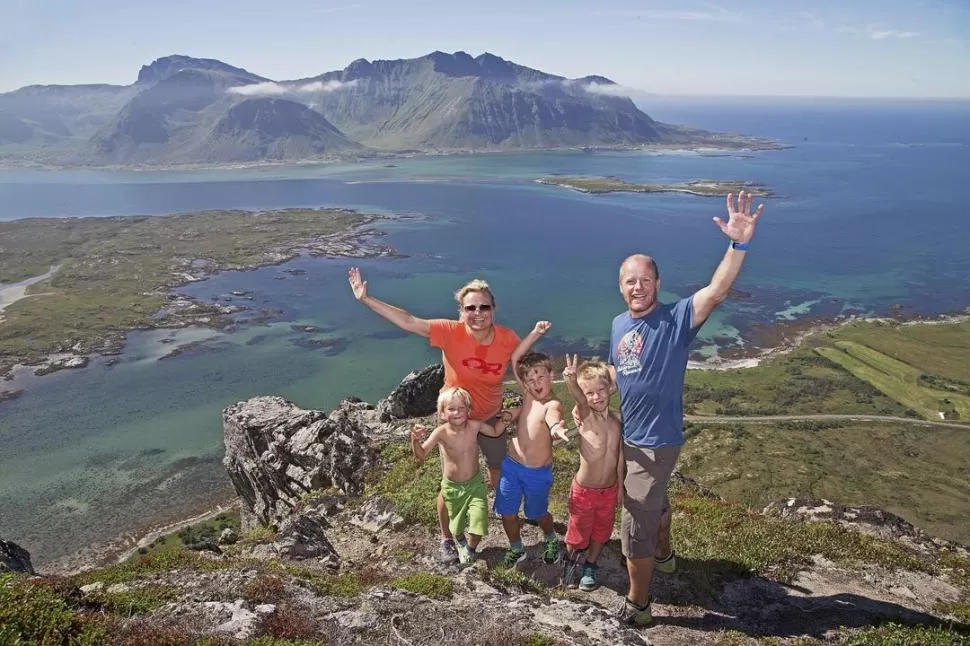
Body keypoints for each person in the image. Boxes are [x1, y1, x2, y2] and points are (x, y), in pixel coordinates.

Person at [613, 191, 766, 627]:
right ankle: (664, 554)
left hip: (656, 441)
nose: (637, 286)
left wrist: (738, 245)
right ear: (620, 286)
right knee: (648, 501)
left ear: (657, 284)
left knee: (634, 521)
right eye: (629, 280)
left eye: (644, 279)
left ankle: (639, 606)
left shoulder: (676, 320)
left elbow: (716, 291)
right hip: (628, 434)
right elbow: (618, 369)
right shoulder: (619, 324)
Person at [348, 269, 520, 564]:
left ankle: (496, 518)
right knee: (449, 481)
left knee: (497, 474)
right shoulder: (450, 331)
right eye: (470, 308)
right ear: (461, 312)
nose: (477, 313)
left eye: (484, 307)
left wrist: (538, 405)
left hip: (490, 416)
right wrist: (366, 300)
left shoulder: (507, 339)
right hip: (454, 417)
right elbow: (408, 320)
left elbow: (528, 369)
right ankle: (446, 538)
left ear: (494, 309)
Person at [493, 321, 567, 568]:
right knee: (507, 511)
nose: (536, 382)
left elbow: (553, 419)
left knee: (537, 514)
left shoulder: (551, 404)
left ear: (551, 376)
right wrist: (535, 333)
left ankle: (550, 537)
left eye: (541, 376)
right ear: (525, 382)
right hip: (511, 466)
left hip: (537, 473)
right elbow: (516, 358)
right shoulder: (526, 394)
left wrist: (557, 429)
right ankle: (516, 548)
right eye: (530, 377)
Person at [410, 387, 503, 565]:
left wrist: (507, 417)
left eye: (462, 408)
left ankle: (470, 548)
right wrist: (415, 440)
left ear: (469, 411)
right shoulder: (441, 432)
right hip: (452, 487)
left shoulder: (475, 426)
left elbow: (495, 432)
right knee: (457, 525)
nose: (457, 412)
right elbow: (421, 455)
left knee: (479, 521)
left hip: (475, 485)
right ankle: (458, 538)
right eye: (451, 409)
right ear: (442, 413)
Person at [559, 354, 623, 592]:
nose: (596, 397)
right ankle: (570, 560)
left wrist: (620, 488)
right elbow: (580, 400)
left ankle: (590, 565)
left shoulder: (617, 420)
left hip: (609, 490)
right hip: (584, 490)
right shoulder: (585, 417)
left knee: (602, 531)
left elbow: (620, 456)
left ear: (610, 389)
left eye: (601, 390)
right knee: (576, 532)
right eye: (590, 392)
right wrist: (571, 381)